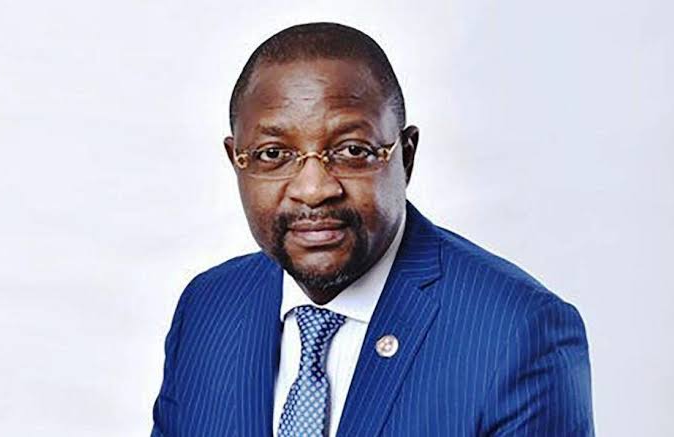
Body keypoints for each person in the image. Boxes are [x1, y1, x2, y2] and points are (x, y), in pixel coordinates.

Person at [151, 22, 594, 437]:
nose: (313, 190)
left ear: (406, 156)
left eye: (352, 150)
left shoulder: (518, 332)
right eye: (273, 154)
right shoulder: (208, 307)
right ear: (237, 161)